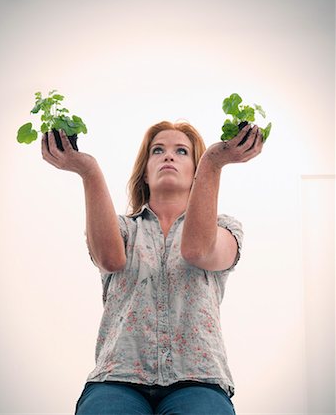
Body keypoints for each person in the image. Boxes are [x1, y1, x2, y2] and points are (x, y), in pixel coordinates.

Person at [42, 120, 263, 415]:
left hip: (198, 380)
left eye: (182, 151)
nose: (169, 156)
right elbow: (110, 260)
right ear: (145, 173)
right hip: (117, 379)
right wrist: (88, 170)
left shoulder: (224, 228)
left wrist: (212, 161)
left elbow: (197, 250)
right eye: (157, 150)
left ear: (196, 171)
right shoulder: (121, 228)